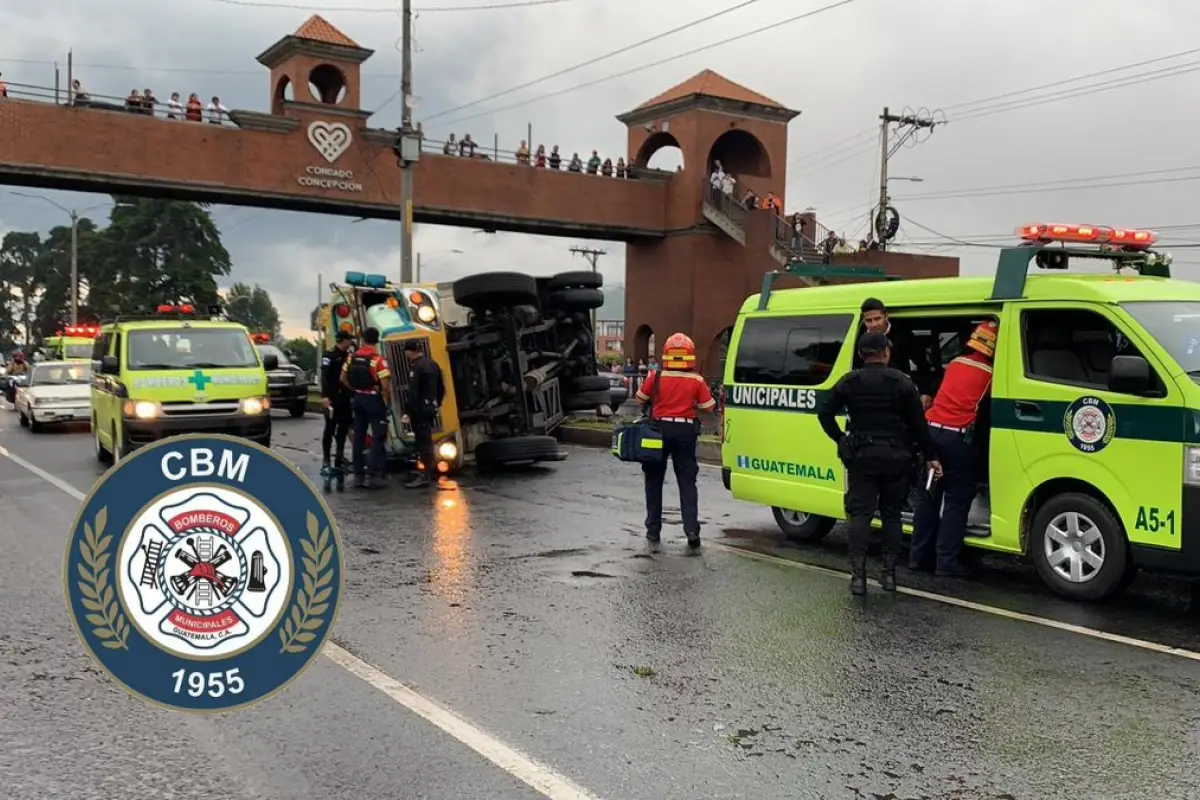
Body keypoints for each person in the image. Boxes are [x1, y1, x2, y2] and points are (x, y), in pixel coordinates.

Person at [818, 332, 940, 595]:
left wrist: (841, 438)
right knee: (892, 516)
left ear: (862, 354)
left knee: (860, 516)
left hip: (862, 456)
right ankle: (889, 575)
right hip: (897, 457)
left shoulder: (850, 381)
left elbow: (824, 412)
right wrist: (931, 456)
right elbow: (919, 426)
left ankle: (858, 577)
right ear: (886, 352)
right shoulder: (902, 383)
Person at [909, 320, 998, 578]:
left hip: (931, 434)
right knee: (957, 501)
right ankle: (945, 563)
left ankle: (917, 558)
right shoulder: (991, 373)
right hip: (956, 440)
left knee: (928, 495)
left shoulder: (957, 363)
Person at [635, 332, 716, 548]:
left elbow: (640, 398)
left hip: (658, 430)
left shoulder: (656, 376)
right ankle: (691, 530)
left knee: (653, 480)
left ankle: (653, 530)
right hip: (685, 431)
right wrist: (692, 405)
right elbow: (709, 406)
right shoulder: (696, 380)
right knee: (687, 481)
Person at [857, 297, 935, 407]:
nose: (874, 324)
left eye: (877, 318)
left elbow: (922, 364)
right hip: (871, 393)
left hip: (901, 391)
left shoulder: (903, 335)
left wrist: (925, 391)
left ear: (886, 316)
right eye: (869, 320)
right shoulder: (858, 338)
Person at [341, 327, 392, 489]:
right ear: (377, 341)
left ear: (362, 340)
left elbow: (342, 378)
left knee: (359, 437)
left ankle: (358, 475)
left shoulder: (351, 357)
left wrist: (355, 390)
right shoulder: (378, 360)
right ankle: (373, 473)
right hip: (374, 400)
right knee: (378, 436)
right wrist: (386, 401)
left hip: (358, 399)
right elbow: (385, 386)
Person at [399, 341, 445, 489]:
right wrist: (437, 402)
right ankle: (427, 472)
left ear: (409, 351)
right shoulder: (432, 364)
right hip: (430, 406)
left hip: (420, 409)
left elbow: (413, 392)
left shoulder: (416, 367)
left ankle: (425, 475)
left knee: (422, 442)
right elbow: (441, 387)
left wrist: (407, 411)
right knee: (426, 439)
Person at [319, 331, 355, 480]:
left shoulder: (349, 356)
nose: (351, 343)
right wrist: (325, 396)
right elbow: (325, 377)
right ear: (343, 340)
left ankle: (339, 458)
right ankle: (326, 459)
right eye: (349, 340)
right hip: (332, 398)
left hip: (345, 398)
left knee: (343, 429)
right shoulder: (330, 355)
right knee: (330, 429)